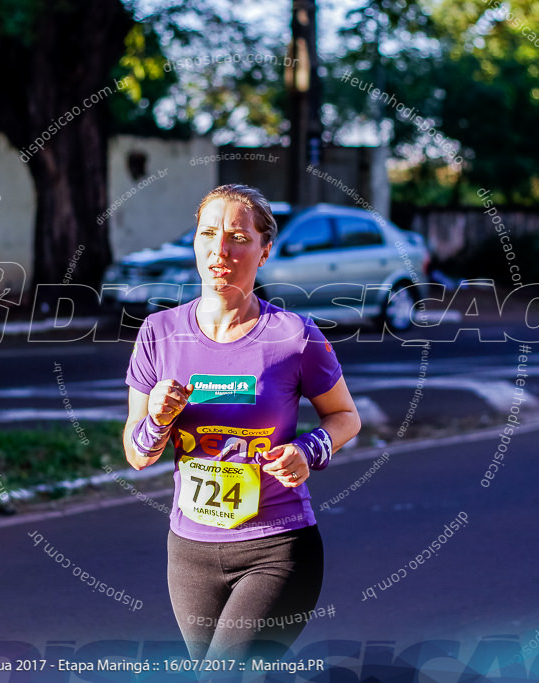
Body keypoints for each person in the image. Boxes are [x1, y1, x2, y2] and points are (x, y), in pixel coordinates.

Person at [122, 184, 361, 662]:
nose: (220, 249)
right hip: (189, 552)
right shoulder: (159, 333)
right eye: (208, 234)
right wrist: (159, 419)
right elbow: (136, 452)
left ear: (265, 250)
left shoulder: (294, 335)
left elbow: (344, 417)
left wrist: (307, 450)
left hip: (277, 548)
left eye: (237, 236)